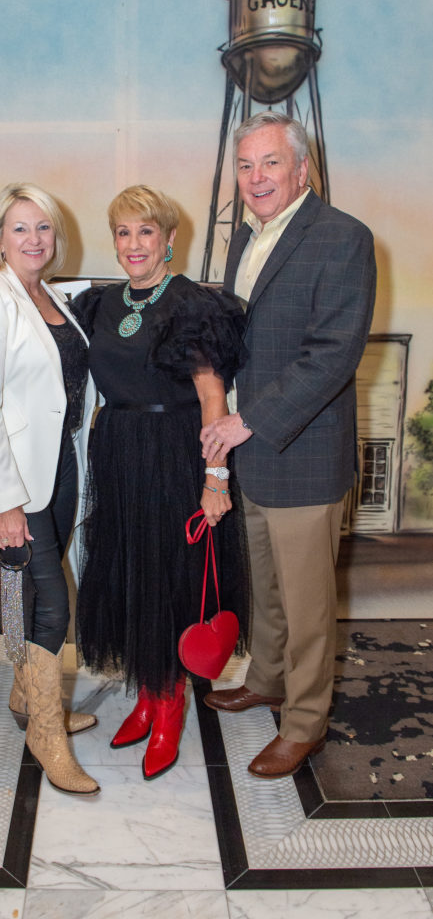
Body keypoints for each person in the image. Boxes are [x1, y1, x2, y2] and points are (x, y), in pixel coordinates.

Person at [201, 111, 377, 779]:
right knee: (267, 587)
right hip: (252, 454)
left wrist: (248, 420)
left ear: (301, 168)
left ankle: (303, 721)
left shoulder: (342, 238)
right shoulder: (245, 239)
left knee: (306, 604)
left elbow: (331, 354)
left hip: (300, 451)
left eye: (269, 163)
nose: (255, 178)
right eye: (245, 166)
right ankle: (267, 679)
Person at [74, 184, 250, 781]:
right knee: (129, 576)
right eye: (123, 232)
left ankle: (170, 707)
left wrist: (216, 478)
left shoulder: (190, 305)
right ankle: (147, 696)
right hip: (119, 453)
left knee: (170, 578)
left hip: (175, 453)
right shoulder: (100, 304)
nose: (133, 244)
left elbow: (211, 396)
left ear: (170, 239)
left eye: (145, 231)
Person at [0, 182, 99, 797]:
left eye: (43, 227)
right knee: (50, 603)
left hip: (62, 465)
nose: (34, 239)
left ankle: (25, 693)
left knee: (34, 589)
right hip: (17, 477)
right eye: (20, 228)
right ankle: (46, 731)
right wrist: (4, 502)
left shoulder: (56, 299)